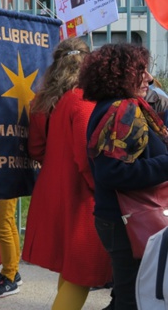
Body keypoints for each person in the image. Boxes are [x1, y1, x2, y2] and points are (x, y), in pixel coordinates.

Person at [23, 37, 112, 309]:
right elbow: (86, 156)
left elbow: (36, 149)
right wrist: (100, 188)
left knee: (71, 266)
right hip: (81, 194)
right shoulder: (84, 100)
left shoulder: (42, 100)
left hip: (52, 187)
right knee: (83, 271)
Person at [79, 43, 168, 310]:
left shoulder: (125, 106)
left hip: (124, 218)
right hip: (128, 220)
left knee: (127, 294)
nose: (147, 77)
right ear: (118, 75)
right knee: (133, 299)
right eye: (139, 71)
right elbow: (112, 173)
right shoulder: (122, 112)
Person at [0, 198, 23, 298]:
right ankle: (12, 272)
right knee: (8, 221)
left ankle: (9, 279)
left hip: (7, 183)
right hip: (9, 183)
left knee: (3, 226)